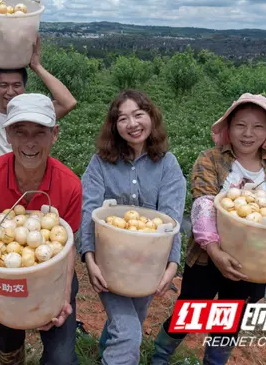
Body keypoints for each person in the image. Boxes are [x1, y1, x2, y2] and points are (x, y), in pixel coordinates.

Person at [151, 93, 266, 365]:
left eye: (258, 126)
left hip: (256, 263)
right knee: (191, 309)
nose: (248, 133)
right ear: (228, 127)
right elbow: (204, 205)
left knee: (230, 319)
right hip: (207, 259)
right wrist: (215, 251)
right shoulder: (211, 160)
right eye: (240, 125)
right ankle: (160, 356)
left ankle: (214, 362)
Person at [0, 93, 82, 365]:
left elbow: (67, 249)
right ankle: (12, 354)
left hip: (54, 274)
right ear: (7, 134)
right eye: (20, 132)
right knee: (7, 337)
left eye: (40, 133)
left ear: (54, 134)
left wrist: (64, 297)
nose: (30, 142)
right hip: (5, 275)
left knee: (61, 359)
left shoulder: (69, 185)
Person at [79, 89, 186, 365]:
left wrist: (172, 265)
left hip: (148, 266)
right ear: (114, 126)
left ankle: (106, 350)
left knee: (132, 322)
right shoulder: (100, 164)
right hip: (109, 264)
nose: (133, 124)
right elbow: (89, 210)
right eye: (123, 118)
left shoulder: (168, 165)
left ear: (152, 117)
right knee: (129, 333)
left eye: (139, 114)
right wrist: (89, 259)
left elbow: (172, 219)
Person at [0, 35, 77, 165]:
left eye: (16, 85)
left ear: (24, 87)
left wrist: (37, 66)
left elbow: (68, 103)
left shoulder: (35, 115)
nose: (10, 92)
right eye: (3, 85)